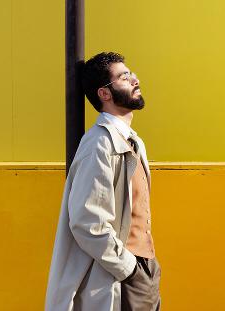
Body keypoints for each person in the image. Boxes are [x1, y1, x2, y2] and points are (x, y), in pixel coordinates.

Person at [45, 52, 161, 311]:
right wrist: (130, 269)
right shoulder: (100, 144)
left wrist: (148, 268)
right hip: (123, 277)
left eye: (131, 73)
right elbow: (88, 222)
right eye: (123, 76)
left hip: (144, 268)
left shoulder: (132, 141)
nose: (134, 79)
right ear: (104, 94)